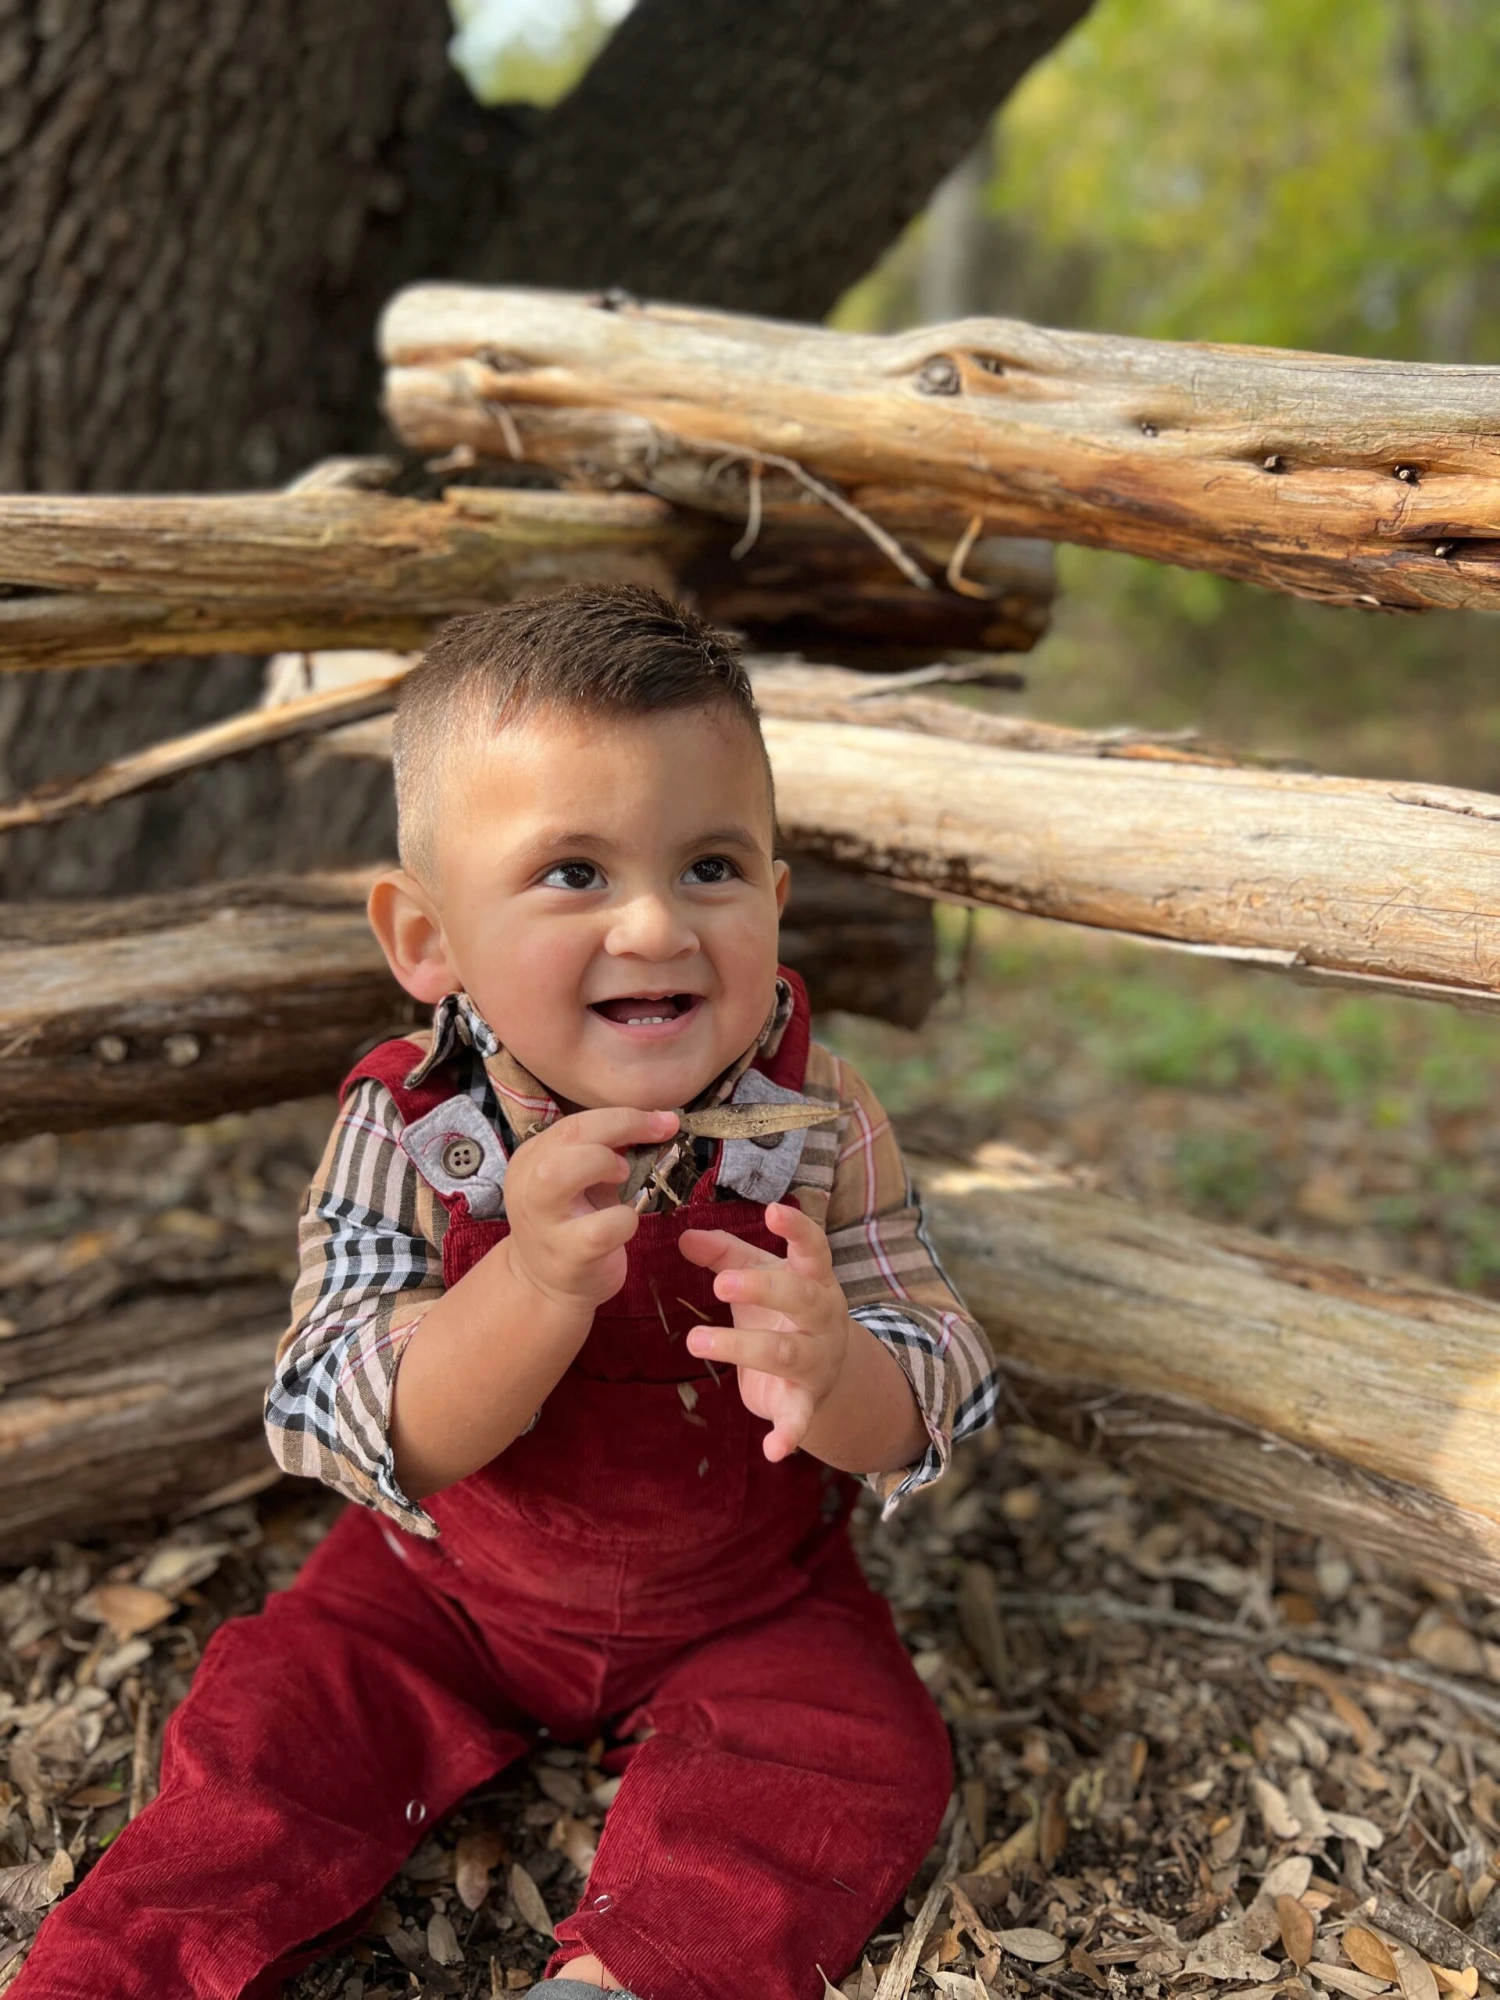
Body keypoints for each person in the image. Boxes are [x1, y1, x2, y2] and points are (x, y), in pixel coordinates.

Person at [17, 586, 998, 2000]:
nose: (658, 925)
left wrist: (843, 1372)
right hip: (442, 1590)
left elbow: (940, 1364)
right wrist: (532, 1283)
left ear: (776, 904)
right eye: (574, 875)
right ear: (427, 939)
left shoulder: (823, 1121)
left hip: (745, 1598)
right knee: (274, 1730)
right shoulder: (418, 1128)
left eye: (712, 865)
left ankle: (630, 1976)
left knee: (851, 1752)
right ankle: (124, 1977)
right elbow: (344, 1405)